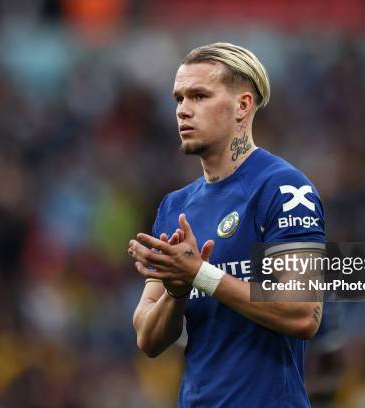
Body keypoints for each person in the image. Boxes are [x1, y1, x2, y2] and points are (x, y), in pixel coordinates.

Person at [129, 42, 325, 407]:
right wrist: (176, 290)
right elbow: (148, 338)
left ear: (243, 105)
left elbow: (303, 313)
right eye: (179, 98)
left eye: (199, 96)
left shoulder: (283, 188)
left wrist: (200, 274)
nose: (183, 110)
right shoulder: (175, 207)